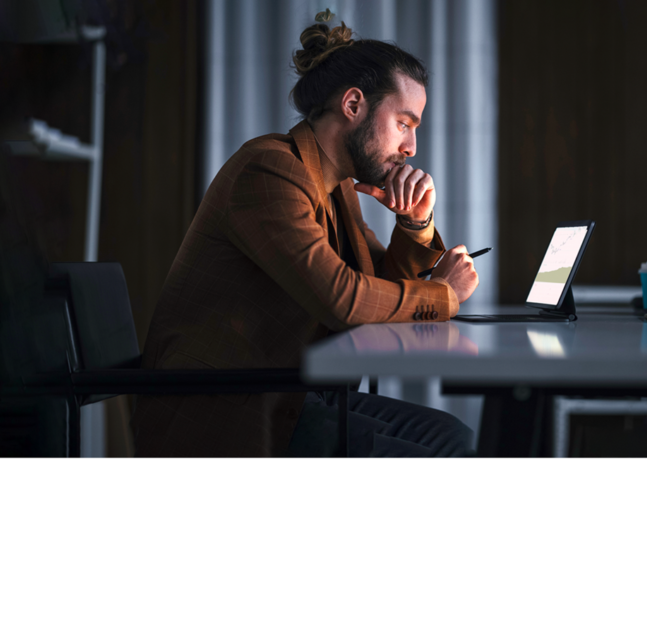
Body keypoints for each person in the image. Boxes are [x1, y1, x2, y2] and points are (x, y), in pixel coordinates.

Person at [131, 21, 480, 457]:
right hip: (232, 409)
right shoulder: (269, 170)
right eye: (403, 123)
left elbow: (378, 284)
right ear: (354, 103)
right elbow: (344, 299)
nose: (411, 146)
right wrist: (442, 295)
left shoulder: (334, 187)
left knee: (455, 437)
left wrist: (415, 224)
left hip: (294, 395)